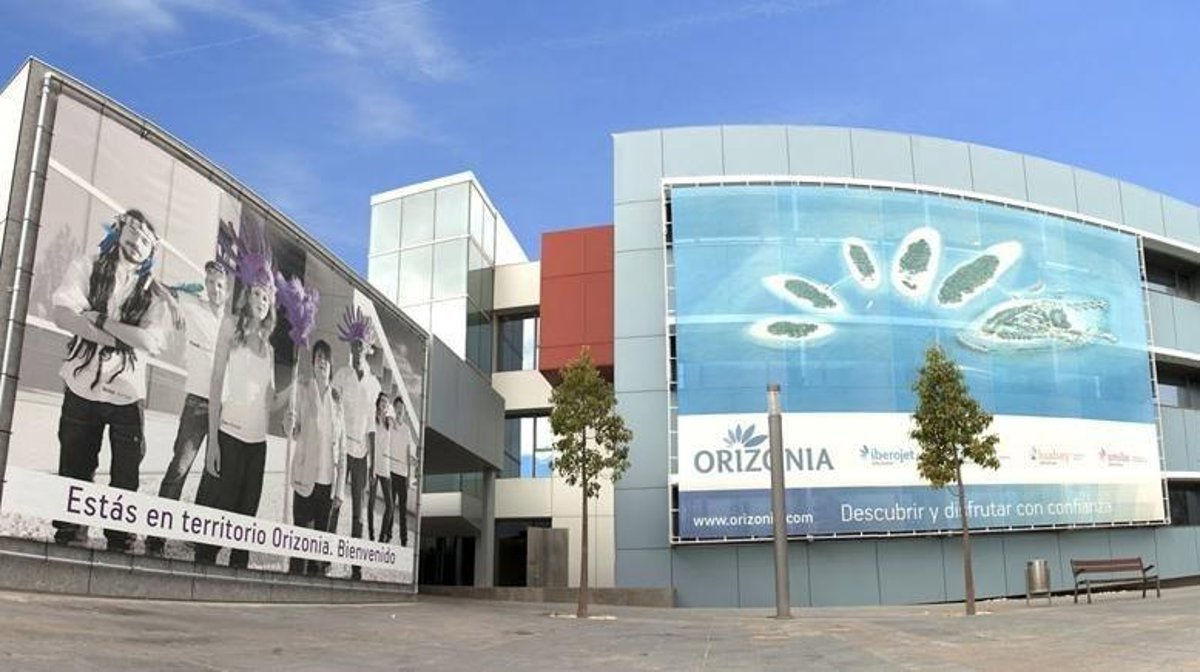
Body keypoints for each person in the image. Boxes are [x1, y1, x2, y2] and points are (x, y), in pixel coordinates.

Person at [50, 210, 170, 552]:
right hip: (81, 385)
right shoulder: (88, 265)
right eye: (133, 230)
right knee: (74, 471)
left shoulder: (154, 293)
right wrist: (122, 339)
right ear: (120, 229)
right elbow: (63, 315)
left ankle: (119, 545)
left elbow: (150, 342)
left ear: (151, 250)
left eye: (146, 239)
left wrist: (100, 321)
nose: (137, 241)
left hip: (126, 396)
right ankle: (69, 540)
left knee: (125, 479)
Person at [194, 243, 281, 568]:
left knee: (244, 525)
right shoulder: (231, 325)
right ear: (248, 295)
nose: (260, 301)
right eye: (256, 294)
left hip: (257, 445)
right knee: (215, 523)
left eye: (266, 297)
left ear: (271, 304)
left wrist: (296, 391)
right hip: (229, 436)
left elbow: (271, 402)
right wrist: (213, 441)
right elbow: (216, 380)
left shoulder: (270, 348)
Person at [145, 260, 230, 557]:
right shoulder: (193, 305)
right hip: (196, 403)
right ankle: (156, 535)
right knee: (180, 467)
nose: (215, 289)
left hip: (223, 408)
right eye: (210, 283)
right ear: (205, 284)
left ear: (227, 289)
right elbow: (154, 283)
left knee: (213, 474)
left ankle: (196, 534)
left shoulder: (232, 324)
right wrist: (174, 301)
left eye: (220, 285)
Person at [285, 340, 343, 576]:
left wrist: (339, 490)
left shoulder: (337, 400)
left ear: (331, 366)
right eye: (319, 357)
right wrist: (288, 424)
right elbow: (293, 429)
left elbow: (342, 446)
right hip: (305, 480)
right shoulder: (302, 390)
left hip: (327, 486)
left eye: (326, 358)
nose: (322, 362)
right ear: (312, 363)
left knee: (318, 550)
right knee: (300, 545)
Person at [331, 309, 380, 580]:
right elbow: (332, 409)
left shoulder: (374, 384)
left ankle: (356, 565)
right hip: (341, 451)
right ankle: (324, 558)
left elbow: (372, 425)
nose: (356, 349)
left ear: (368, 347)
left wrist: (372, 463)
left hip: (361, 455)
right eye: (353, 345)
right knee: (336, 502)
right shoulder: (341, 375)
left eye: (360, 345)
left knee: (358, 511)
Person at [389, 394, 417, 547]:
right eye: (398, 408)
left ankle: (404, 539)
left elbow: (408, 453)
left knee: (403, 511)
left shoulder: (407, 430)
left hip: (403, 474)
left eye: (402, 408)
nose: (400, 411)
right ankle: (387, 534)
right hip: (391, 472)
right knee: (390, 507)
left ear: (405, 411)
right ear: (394, 409)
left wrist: (408, 477)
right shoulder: (390, 424)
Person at [367, 392, 392, 543]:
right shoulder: (373, 420)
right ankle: (371, 535)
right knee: (371, 503)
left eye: (386, 402)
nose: (384, 404)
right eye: (382, 401)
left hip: (386, 468)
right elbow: (371, 445)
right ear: (378, 403)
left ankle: (382, 538)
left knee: (390, 505)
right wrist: (371, 469)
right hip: (375, 467)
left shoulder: (389, 423)